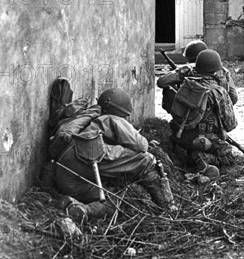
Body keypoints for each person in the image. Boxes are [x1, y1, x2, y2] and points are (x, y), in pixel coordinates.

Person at [49, 86, 174, 221]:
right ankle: (167, 208)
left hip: (66, 177)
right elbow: (141, 145)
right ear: (118, 111)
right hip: (85, 156)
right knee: (147, 161)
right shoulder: (110, 119)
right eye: (125, 116)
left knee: (112, 198)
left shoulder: (86, 120)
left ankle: (82, 209)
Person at [170, 49, 238, 180]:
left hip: (180, 134)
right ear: (216, 69)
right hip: (202, 139)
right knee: (228, 155)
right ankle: (201, 158)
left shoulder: (187, 83)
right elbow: (230, 124)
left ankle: (189, 154)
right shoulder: (218, 91)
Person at [157, 40, 207, 113]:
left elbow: (161, 82)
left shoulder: (188, 69)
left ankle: (178, 117)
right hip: (213, 111)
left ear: (188, 57)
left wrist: (178, 78)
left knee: (168, 88)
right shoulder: (221, 70)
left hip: (192, 109)